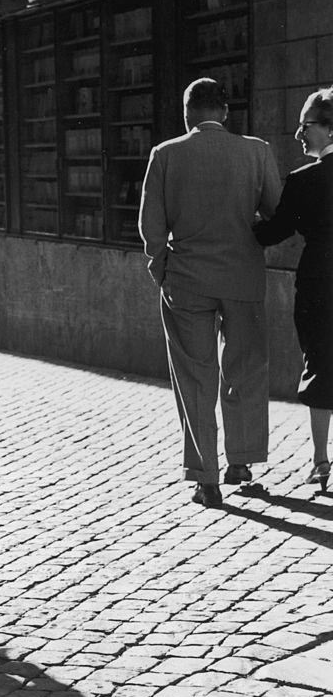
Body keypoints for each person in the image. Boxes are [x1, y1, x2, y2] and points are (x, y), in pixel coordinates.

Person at [138, 78, 282, 507]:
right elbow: (276, 211)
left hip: (186, 280)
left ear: (187, 113)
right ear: (223, 111)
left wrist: (161, 269)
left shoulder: (165, 155)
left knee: (195, 377)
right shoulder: (257, 151)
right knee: (246, 370)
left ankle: (206, 477)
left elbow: (151, 225)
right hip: (243, 278)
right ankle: (242, 460)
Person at [254, 87, 333, 492]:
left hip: (321, 281)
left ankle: (321, 461)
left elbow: (273, 232)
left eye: (306, 126)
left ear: (329, 129)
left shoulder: (305, 180)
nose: (299, 134)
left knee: (320, 364)